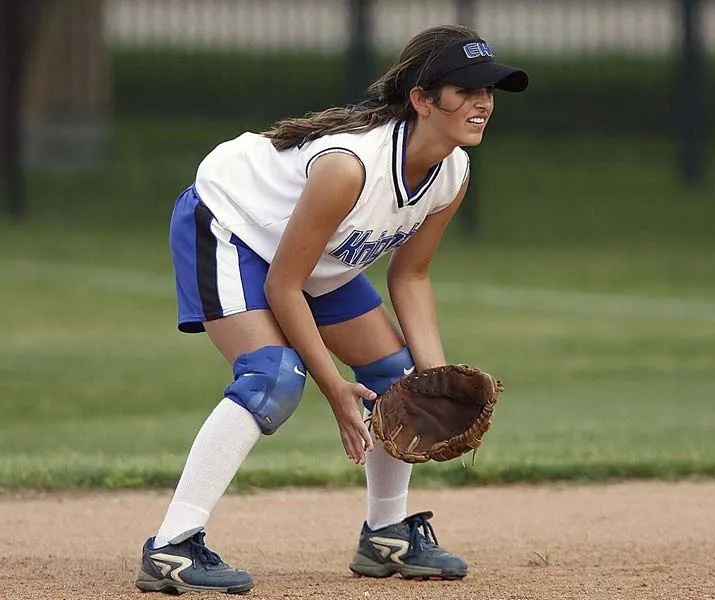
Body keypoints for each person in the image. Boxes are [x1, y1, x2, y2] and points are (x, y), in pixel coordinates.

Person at [134, 24, 528, 595]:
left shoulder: (452, 173)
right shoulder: (350, 167)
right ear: (421, 99)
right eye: (466, 89)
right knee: (273, 378)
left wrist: (434, 376)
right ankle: (171, 547)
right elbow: (283, 287)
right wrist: (335, 390)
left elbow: (410, 275)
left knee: (399, 378)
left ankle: (385, 535)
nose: (483, 102)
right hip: (233, 226)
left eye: (489, 90)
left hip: (313, 255)